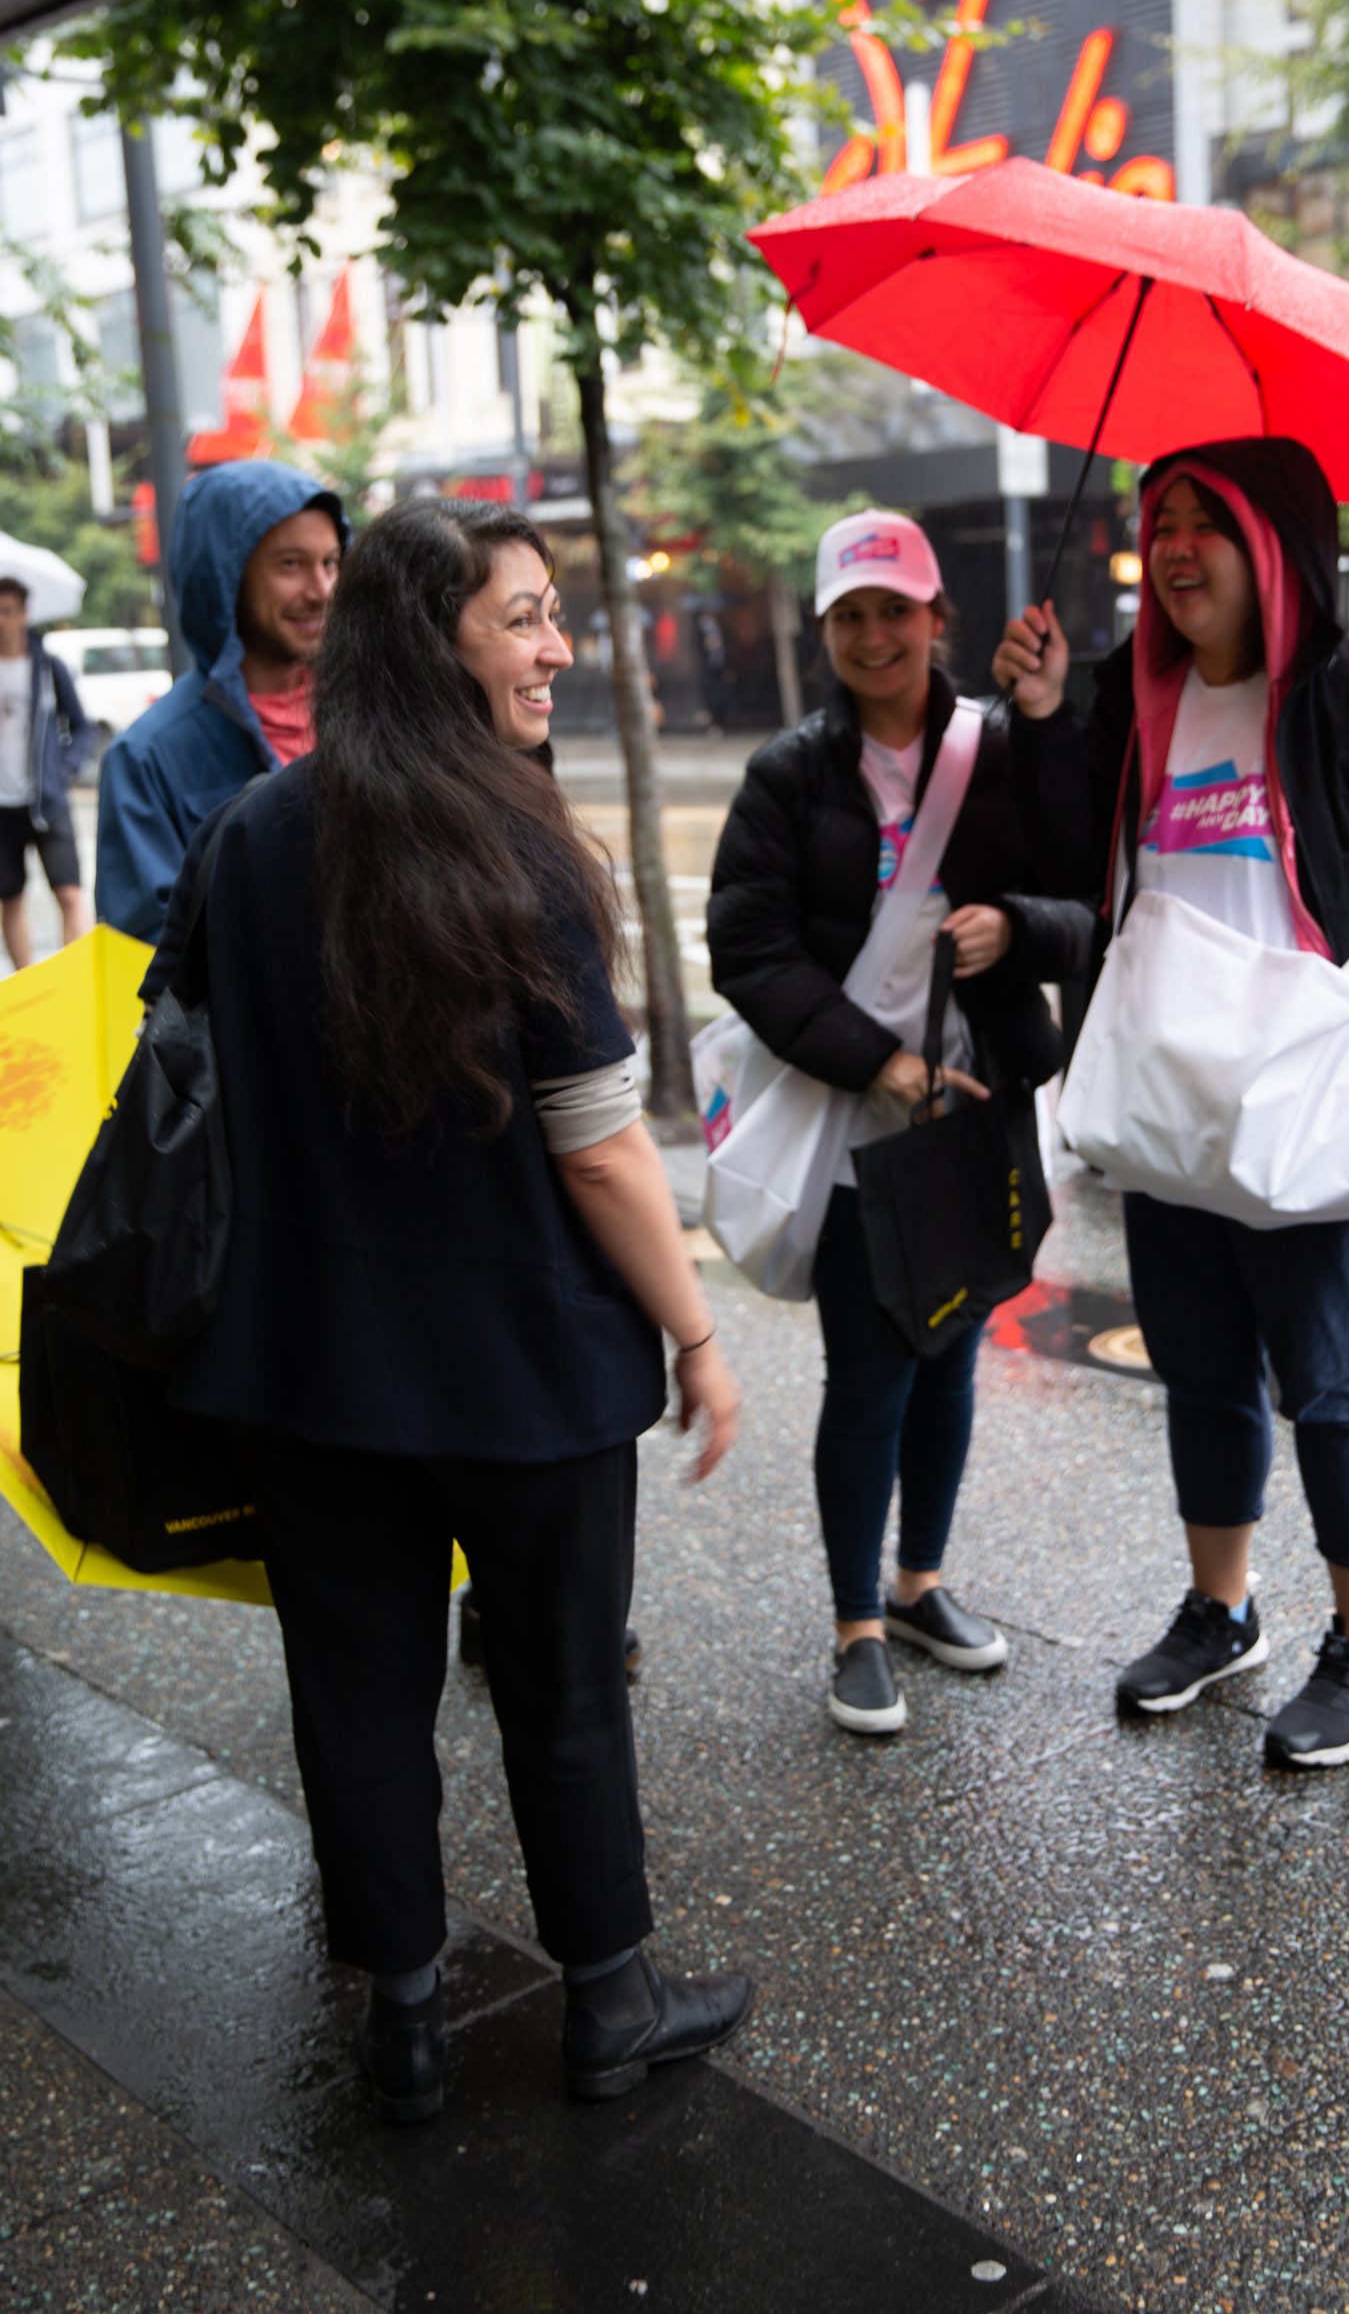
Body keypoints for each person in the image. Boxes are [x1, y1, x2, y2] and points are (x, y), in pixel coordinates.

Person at [154, 496, 749, 2118]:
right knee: (560, 1688)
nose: (559, 648)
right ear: (439, 640)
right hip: (525, 1371)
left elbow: (194, 1083)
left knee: (357, 1699)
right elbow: (604, 1150)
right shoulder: (517, 841)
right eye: (528, 618)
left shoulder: (252, 839)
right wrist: (695, 1334)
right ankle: (608, 2007)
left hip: (303, 1368)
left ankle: (403, 2028)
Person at [994, 437, 1349, 1771]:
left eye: (1208, 520)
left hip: (1303, 1098)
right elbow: (1058, 860)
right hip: (1167, 1100)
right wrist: (1034, 719)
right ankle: (1221, 1610)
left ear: (1279, 546)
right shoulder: (1126, 702)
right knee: (1198, 1370)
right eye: (1160, 521)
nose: (1177, 546)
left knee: (1328, 1378)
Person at [707, 509, 1093, 1737]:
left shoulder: (999, 747)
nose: (877, 634)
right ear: (826, 628)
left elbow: (1089, 894)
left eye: (898, 609)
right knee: (870, 1370)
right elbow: (748, 950)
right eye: (852, 613)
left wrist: (1010, 928)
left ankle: (921, 1582)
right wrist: (877, 1059)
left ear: (940, 619)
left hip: (981, 1108)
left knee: (957, 1348)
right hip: (854, 1118)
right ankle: (855, 1625)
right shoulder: (788, 773)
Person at [97, 460, 347, 943]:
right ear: (225, 577)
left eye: (331, 563)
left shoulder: (372, 714)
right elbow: (149, 957)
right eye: (290, 564)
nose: (321, 590)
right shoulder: (147, 759)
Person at [0, 576, 96, 969]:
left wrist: (66, 769)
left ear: (24, 614)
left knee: (71, 895)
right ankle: (27, 991)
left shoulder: (48, 668)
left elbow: (83, 726)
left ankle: (77, 979)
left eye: (8, 612)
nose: (2, 621)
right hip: (2, 805)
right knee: (11, 898)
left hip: (47, 799)